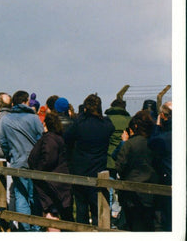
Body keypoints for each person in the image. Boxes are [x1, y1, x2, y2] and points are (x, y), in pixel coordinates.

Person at [64, 93, 114, 226]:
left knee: (81, 210)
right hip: (99, 170)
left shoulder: (79, 124)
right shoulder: (106, 125)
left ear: (85, 108)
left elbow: (67, 138)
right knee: (98, 210)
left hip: (80, 170)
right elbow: (111, 128)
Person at [0, 90, 44, 231]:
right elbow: (41, 139)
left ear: (13, 103)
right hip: (34, 162)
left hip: (17, 160)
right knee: (35, 195)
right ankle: (36, 228)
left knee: (20, 195)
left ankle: (24, 228)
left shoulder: (6, 120)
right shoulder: (34, 118)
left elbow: (3, 142)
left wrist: (10, 155)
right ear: (26, 102)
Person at [114, 110, 158, 231]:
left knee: (134, 225)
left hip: (132, 192)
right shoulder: (155, 142)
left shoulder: (130, 144)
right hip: (153, 191)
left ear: (136, 126)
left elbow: (119, 166)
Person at [28, 112, 73, 230]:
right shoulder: (58, 137)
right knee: (56, 211)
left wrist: (37, 170)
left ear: (46, 124)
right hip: (57, 181)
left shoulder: (49, 139)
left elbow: (48, 159)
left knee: (51, 212)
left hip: (51, 183)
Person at [105, 98, 131, 220]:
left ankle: (108, 217)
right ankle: (122, 217)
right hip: (125, 159)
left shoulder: (107, 120)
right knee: (123, 190)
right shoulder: (129, 120)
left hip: (108, 159)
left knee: (108, 190)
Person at [148, 101, 172, 231]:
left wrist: (157, 126)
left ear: (163, 116)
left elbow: (153, 143)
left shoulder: (162, 138)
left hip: (168, 178)